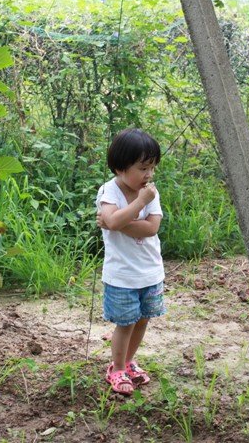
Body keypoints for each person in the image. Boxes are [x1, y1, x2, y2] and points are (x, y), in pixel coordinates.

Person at [95, 128, 165, 395]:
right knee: (125, 323)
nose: (149, 175)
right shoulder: (109, 191)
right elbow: (112, 221)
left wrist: (117, 223)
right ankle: (117, 368)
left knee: (143, 320)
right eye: (143, 168)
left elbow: (151, 228)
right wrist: (136, 207)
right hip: (122, 274)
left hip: (150, 272)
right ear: (121, 167)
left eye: (152, 168)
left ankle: (129, 361)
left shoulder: (150, 192)